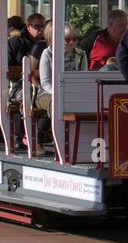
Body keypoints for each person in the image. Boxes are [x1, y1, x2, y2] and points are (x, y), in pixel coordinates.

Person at [32, 23, 87, 153]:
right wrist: (60, 93)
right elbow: (45, 83)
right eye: (67, 39)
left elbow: (83, 78)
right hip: (46, 93)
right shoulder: (48, 53)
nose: (72, 42)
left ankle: (80, 140)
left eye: (75, 39)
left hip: (72, 93)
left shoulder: (81, 54)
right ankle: (57, 141)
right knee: (56, 102)